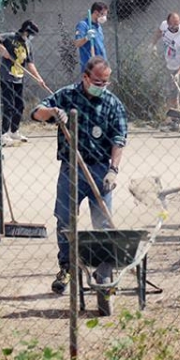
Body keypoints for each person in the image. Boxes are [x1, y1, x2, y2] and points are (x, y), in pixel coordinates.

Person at [31, 57, 127, 294]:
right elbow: (35, 113)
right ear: (85, 77)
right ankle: (67, 268)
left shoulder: (113, 104)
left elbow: (119, 139)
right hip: (71, 170)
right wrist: (53, 112)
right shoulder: (66, 96)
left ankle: (103, 273)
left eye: (105, 82)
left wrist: (113, 171)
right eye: (97, 81)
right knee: (65, 221)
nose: (101, 86)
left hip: (99, 171)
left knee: (103, 224)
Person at [0, 20, 48, 146]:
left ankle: (14, 130)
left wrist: (39, 79)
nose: (31, 37)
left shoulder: (28, 45)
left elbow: (30, 64)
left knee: (19, 105)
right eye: (31, 34)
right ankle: (3, 134)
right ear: (25, 31)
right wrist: (3, 50)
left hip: (18, 78)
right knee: (8, 105)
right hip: (6, 76)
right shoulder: (10, 37)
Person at [150, 13, 180, 130]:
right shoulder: (164, 25)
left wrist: (178, 73)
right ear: (168, 23)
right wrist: (153, 44)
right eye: (174, 23)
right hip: (171, 66)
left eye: (178, 22)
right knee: (172, 95)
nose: (176, 25)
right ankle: (175, 123)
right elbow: (159, 32)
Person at [74, 2, 109, 72]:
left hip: (102, 65)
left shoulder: (98, 26)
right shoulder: (83, 25)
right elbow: (76, 44)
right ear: (96, 12)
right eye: (103, 14)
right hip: (90, 66)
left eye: (106, 15)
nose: (104, 17)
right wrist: (86, 38)